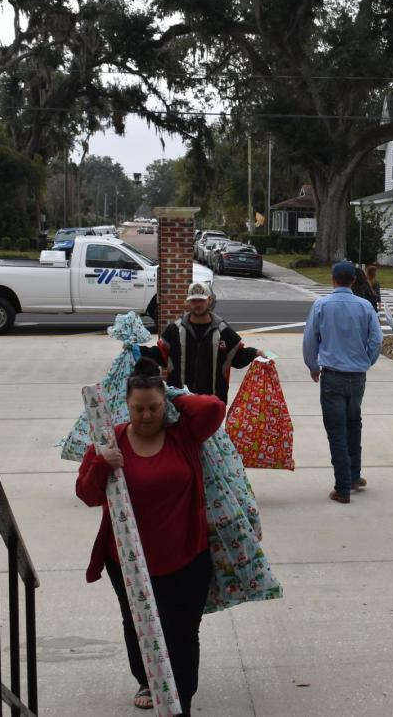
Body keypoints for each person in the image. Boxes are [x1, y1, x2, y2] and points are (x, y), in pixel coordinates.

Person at [76, 357, 226, 713]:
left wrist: (171, 393)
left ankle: (181, 698)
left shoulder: (183, 436)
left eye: (154, 407)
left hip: (187, 557)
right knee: (137, 622)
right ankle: (147, 679)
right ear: (125, 406)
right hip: (126, 560)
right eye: (138, 408)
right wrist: (102, 464)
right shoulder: (109, 441)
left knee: (184, 630)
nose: (146, 415)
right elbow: (86, 494)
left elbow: (213, 407)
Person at [303, 260, 384, 503]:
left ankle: (343, 486)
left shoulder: (321, 305)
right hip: (357, 376)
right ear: (354, 280)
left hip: (332, 375)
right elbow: (377, 340)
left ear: (332, 279)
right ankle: (354, 474)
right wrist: (366, 361)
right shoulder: (365, 306)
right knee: (353, 423)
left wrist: (313, 366)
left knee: (336, 429)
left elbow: (310, 339)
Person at [161, 281, 259, 403]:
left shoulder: (223, 330)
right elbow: (160, 354)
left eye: (201, 300)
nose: (197, 304)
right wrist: (137, 350)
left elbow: (237, 357)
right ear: (188, 302)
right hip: (180, 401)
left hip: (213, 401)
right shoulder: (174, 330)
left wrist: (255, 353)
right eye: (194, 300)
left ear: (210, 300)